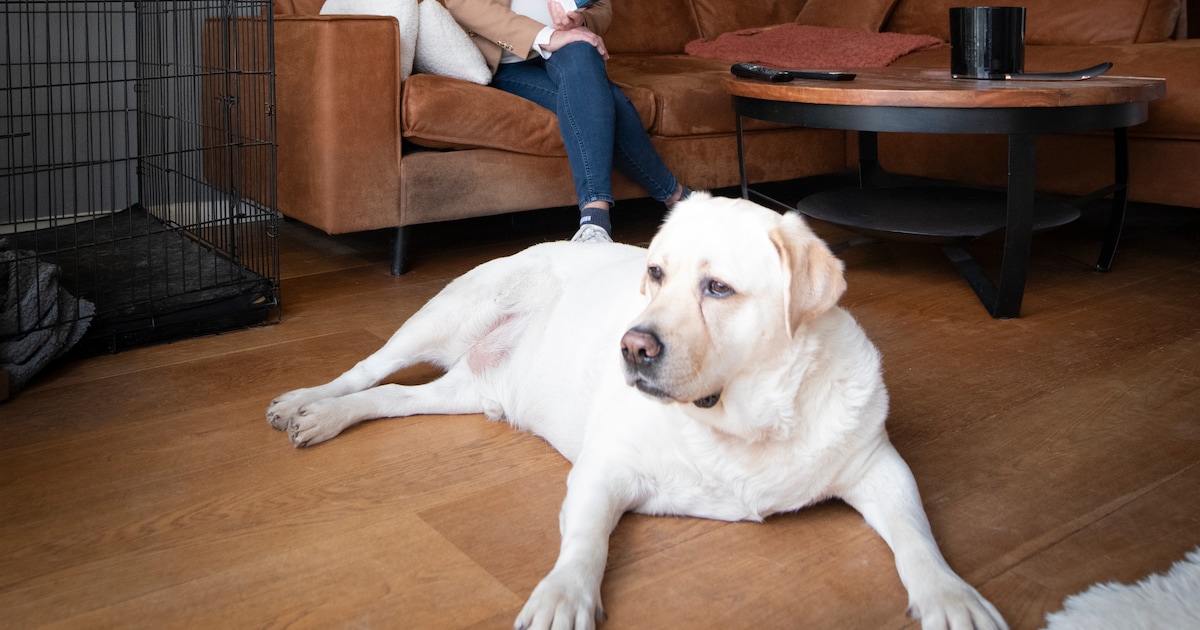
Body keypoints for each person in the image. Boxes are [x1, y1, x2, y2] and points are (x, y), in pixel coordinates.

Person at [444, 0, 690, 243]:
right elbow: (463, 4)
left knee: (584, 52)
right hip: (507, 61)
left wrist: (582, 21)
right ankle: (678, 197)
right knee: (603, 100)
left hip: (569, 46)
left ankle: (595, 220)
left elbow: (602, 7)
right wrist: (545, 36)